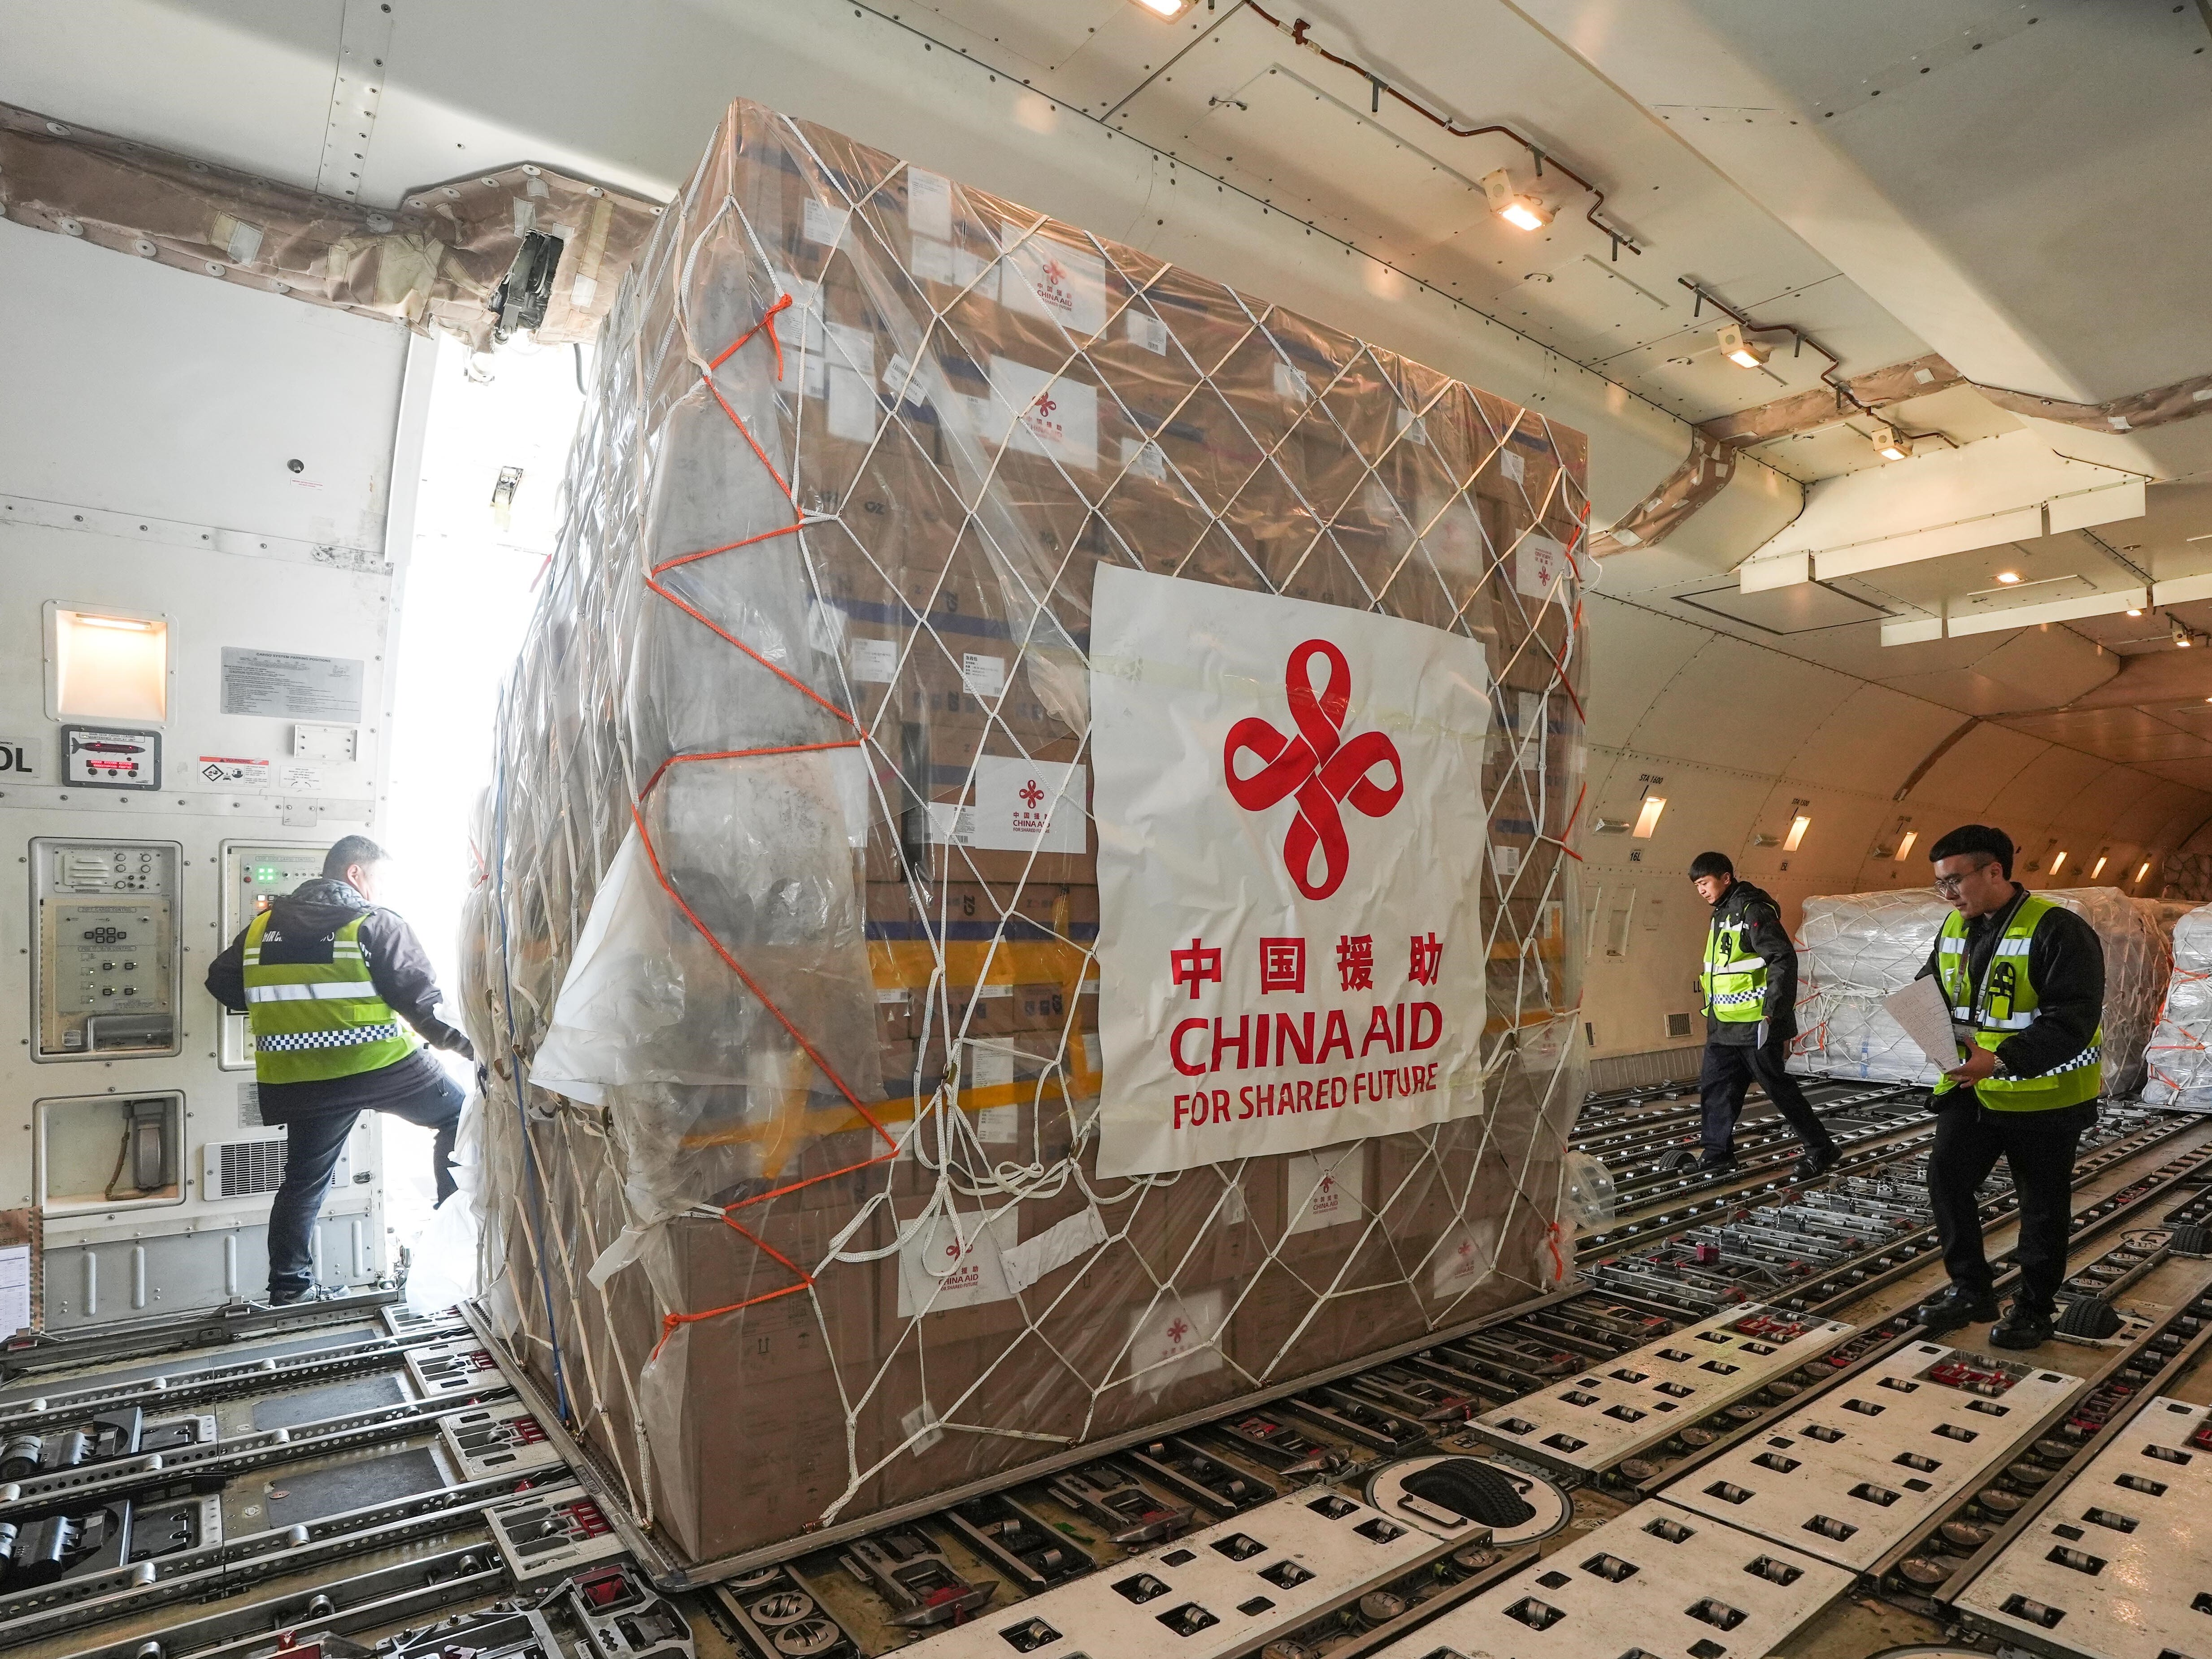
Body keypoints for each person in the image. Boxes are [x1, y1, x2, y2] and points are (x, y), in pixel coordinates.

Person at [206, 835, 473, 1306]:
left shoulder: (260, 928)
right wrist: (477, 1050)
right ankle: (447, 1236)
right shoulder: (375, 923)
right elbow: (423, 1006)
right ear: (355, 873)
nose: (381, 890)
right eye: (379, 879)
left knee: (303, 1182)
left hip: (301, 1078)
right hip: (381, 1066)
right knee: (458, 1118)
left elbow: (222, 982)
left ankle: (289, 1286)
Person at [1909, 825, 2103, 1351]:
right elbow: (1933, 986)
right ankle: (1971, 1290)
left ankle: (2034, 1309)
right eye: (1940, 884)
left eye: (1954, 881)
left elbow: (2073, 1017)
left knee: (2040, 1205)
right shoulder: (1954, 927)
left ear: (1994, 871)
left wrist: (2000, 1060)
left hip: (2044, 1096)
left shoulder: (2058, 930)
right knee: (1946, 1178)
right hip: (1973, 1088)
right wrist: (1929, 1028)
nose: (1947, 894)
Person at [1691, 851, 1839, 1178]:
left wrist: (1772, 1013)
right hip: (1724, 1025)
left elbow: (1782, 960)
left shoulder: (1753, 910)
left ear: (1726, 878)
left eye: (1705, 883)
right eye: (1697, 885)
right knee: (1716, 1089)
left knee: (1778, 1090)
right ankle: (1717, 1154)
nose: (1701, 890)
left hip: (1756, 1023)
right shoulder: (1720, 914)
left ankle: (1821, 1148)